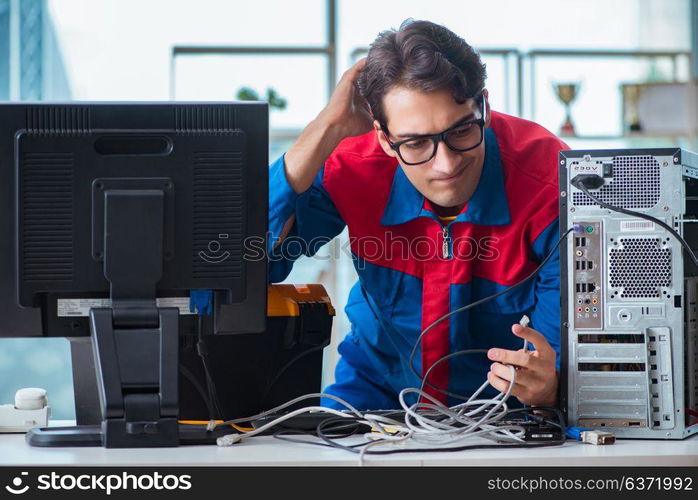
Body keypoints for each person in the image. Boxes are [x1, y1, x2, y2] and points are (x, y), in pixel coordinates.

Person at [267, 19, 566, 410]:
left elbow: (558, 360)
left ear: (485, 108)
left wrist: (552, 392)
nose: (444, 165)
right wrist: (327, 126)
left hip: (506, 410)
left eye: (460, 132)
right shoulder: (353, 165)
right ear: (384, 139)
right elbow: (248, 266)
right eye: (415, 142)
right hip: (374, 396)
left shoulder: (554, 183)